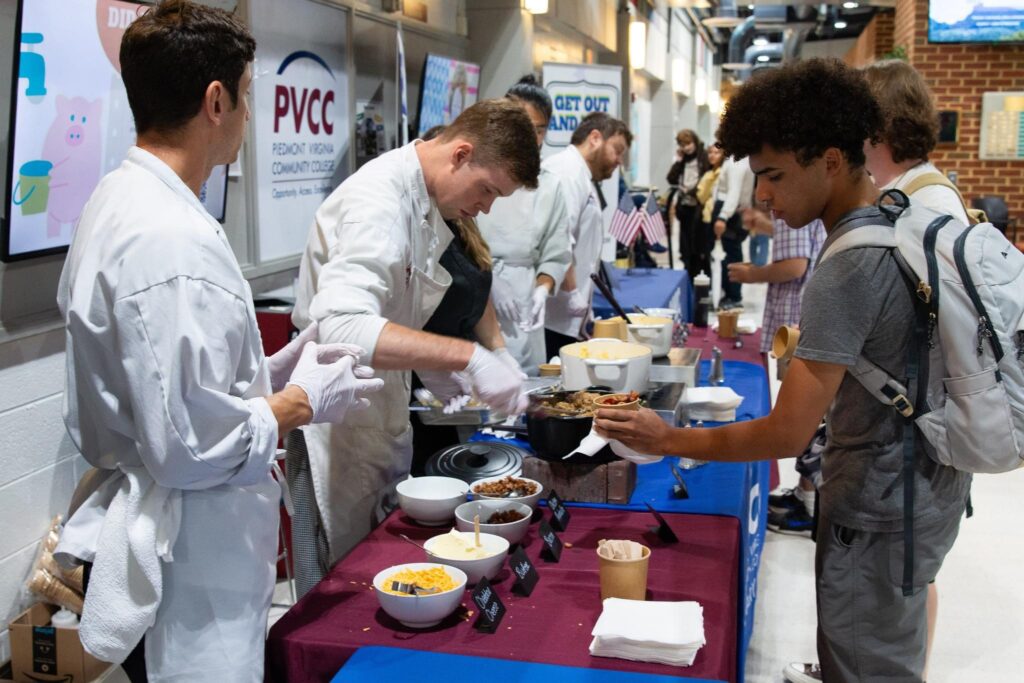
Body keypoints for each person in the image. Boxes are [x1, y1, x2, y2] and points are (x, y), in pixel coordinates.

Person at [594, 58, 971, 683]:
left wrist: (669, 440)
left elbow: (786, 434)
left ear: (828, 161)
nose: (762, 196)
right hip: (917, 490)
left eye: (772, 176)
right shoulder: (892, 223)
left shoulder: (850, 261)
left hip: (881, 505)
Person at [53, 2, 383, 681]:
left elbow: (167, 385)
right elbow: (186, 444)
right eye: (248, 95)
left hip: (194, 534)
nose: (249, 115)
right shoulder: (168, 239)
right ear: (215, 100)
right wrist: (296, 400)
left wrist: (264, 370)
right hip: (195, 560)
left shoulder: (122, 200)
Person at [289, 99, 540, 594]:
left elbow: (395, 310)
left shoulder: (429, 204)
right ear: (461, 153)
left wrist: (431, 370)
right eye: (487, 189)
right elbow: (341, 325)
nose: (486, 207)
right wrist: (467, 355)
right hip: (334, 434)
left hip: (379, 421)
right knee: (338, 591)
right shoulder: (378, 201)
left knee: (387, 577)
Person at [408, 124, 517, 475]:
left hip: (462, 384)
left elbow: (478, 290)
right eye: (483, 190)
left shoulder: (462, 221)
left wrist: (499, 351)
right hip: (422, 390)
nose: (484, 205)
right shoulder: (413, 224)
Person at [730, 208, 826, 535]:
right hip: (805, 316)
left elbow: (795, 265)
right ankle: (807, 494)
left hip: (798, 320)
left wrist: (750, 274)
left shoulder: (794, 194)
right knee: (816, 412)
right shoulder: (799, 197)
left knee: (811, 413)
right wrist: (769, 227)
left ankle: (809, 504)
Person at [477, 76, 570, 374]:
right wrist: (489, 278)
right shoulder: (477, 171)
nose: (533, 136)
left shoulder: (550, 185)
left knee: (524, 380)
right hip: (479, 289)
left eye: (540, 129)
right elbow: (457, 235)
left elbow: (555, 251)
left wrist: (542, 288)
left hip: (523, 293)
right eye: (525, 126)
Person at [544, 112, 632, 358]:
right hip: (553, 316)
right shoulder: (567, 173)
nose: (619, 161)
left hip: (566, 316)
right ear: (595, 138)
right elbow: (559, 240)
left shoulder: (582, 175)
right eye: (617, 150)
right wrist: (571, 293)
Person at [712, 153, 755, 309]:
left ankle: (733, 296)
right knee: (730, 255)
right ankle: (730, 294)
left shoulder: (738, 161)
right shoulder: (738, 159)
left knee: (731, 256)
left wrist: (723, 217)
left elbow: (734, 192)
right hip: (734, 211)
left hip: (732, 213)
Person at [667, 129, 711, 274]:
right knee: (684, 244)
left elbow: (706, 179)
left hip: (699, 206)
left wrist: (692, 192)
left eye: (688, 143)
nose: (686, 147)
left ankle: (699, 274)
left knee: (697, 244)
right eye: (682, 144)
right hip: (684, 206)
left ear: (694, 141)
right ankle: (688, 273)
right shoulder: (682, 159)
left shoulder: (703, 156)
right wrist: (678, 161)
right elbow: (671, 178)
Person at [693, 141, 725, 279]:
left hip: (718, 217)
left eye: (716, 153)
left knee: (716, 253)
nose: (712, 156)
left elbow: (703, 195)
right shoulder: (709, 173)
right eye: (710, 152)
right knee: (706, 251)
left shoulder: (721, 173)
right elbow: (701, 196)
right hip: (706, 216)